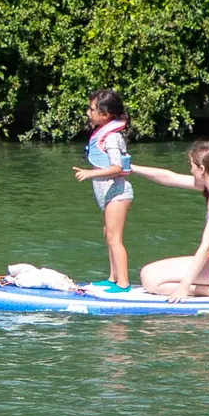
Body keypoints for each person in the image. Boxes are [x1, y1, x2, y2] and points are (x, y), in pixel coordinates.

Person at [127, 141, 209, 301]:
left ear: (202, 169)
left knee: (151, 281)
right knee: (146, 273)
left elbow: (206, 247)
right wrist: (131, 168)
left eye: (192, 165)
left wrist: (184, 286)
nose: (190, 169)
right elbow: (169, 177)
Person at [71, 88, 133, 291]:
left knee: (115, 239)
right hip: (107, 195)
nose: (88, 113)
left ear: (105, 114)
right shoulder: (104, 135)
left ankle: (123, 284)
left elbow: (117, 167)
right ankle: (113, 278)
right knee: (108, 235)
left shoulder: (112, 138)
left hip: (117, 193)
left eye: (91, 109)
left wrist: (90, 173)